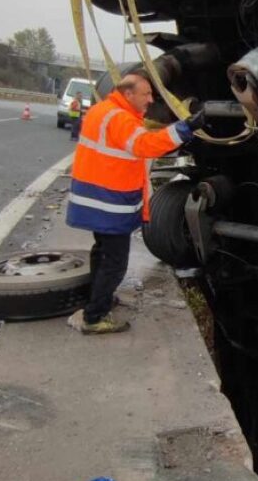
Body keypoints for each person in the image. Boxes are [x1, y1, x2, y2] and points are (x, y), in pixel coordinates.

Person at [66, 69, 205, 335]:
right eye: (146, 94)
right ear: (128, 93)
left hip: (94, 198)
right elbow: (146, 145)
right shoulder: (120, 119)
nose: (151, 99)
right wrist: (185, 128)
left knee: (101, 252)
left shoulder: (101, 111)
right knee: (115, 262)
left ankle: (97, 299)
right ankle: (95, 318)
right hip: (110, 202)